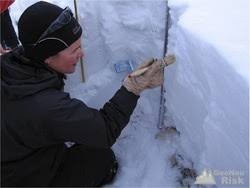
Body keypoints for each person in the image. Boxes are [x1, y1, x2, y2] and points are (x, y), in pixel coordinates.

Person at [1, 1, 166, 187]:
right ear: (48, 57)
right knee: (102, 159)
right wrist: (133, 87)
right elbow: (105, 130)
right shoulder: (47, 106)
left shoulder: (12, 63)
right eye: (74, 50)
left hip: (11, 155)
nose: (83, 54)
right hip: (20, 178)